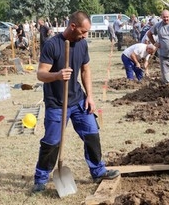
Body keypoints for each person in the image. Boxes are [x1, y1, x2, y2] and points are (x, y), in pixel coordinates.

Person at [32, 11, 120, 193]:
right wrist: (57, 75)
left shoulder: (82, 44)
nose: (85, 36)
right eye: (83, 32)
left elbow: (85, 70)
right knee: (52, 142)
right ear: (73, 27)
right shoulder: (52, 45)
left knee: (92, 134)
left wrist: (90, 96)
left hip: (78, 100)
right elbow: (40, 74)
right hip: (57, 104)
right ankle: (40, 178)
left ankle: (98, 170)